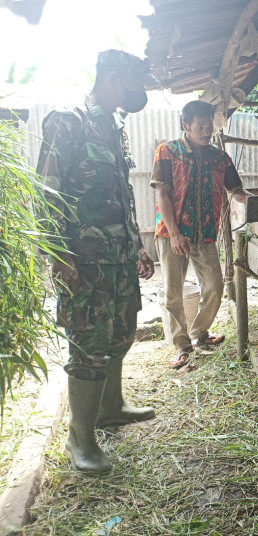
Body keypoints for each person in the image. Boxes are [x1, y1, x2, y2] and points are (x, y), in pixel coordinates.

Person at [37, 49, 157, 474]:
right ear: (112, 78)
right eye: (133, 81)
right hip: (83, 263)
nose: (138, 91)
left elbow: (120, 198)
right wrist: (57, 255)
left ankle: (111, 408)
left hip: (119, 259)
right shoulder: (67, 122)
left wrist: (138, 245)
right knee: (88, 347)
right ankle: (79, 439)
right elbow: (46, 194)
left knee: (121, 334)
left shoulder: (113, 129)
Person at [150, 100, 249, 370]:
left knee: (215, 286)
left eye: (209, 126)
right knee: (173, 292)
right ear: (186, 126)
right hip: (172, 233)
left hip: (205, 232)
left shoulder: (220, 158)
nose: (206, 132)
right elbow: (162, 193)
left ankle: (200, 334)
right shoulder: (167, 152)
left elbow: (236, 191)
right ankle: (181, 346)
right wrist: (174, 233)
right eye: (200, 127)